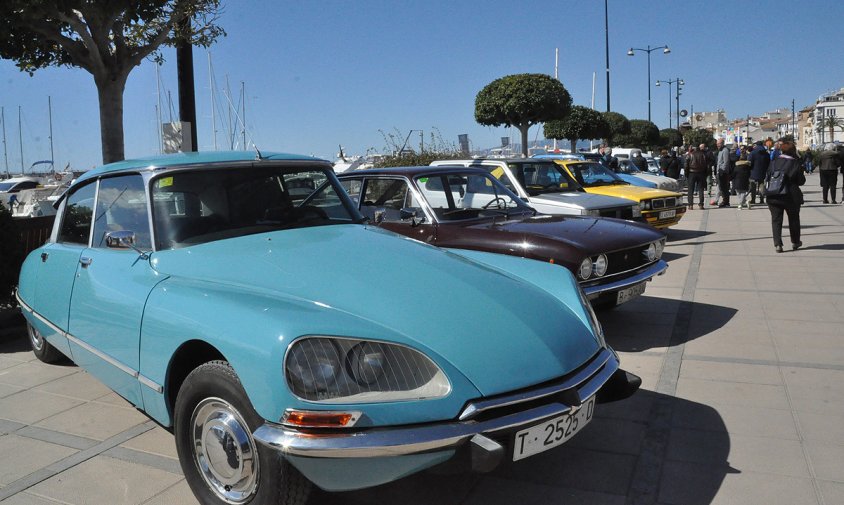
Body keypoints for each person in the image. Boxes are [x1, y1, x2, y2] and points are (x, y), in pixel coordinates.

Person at [765, 138, 806, 253]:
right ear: (793, 151)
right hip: (790, 195)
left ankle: (778, 244)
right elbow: (801, 181)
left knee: (776, 220)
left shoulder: (774, 162)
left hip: (773, 194)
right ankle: (795, 242)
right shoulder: (795, 163)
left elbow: (768, 176)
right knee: (793, 219)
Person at [749, 140, 770, 205]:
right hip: (763, 171)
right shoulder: (766, 153)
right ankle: (762, 199)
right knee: (762, 185)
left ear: (757, 145)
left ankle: (753, 199)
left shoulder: (753, 153)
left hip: (753, 171)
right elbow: (768, 162)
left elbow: (749, 161)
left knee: (753, 186)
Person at [714, 138, 733, 207]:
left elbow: (726, 162)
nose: (717, 145)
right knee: (721, 187)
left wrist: (722, 171)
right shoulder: (720, 151)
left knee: (724, 188)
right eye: (717, 144)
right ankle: (724, 201)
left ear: (722, 143)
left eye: (719, 144)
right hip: (720, 172)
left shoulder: (725, 151)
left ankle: (726, 202)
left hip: (723, 172)